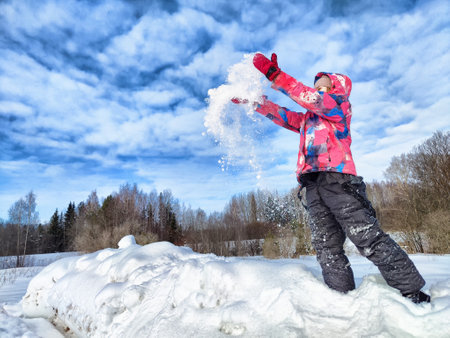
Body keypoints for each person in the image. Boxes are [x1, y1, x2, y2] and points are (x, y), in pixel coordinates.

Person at [233, 52, 430, 304]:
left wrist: (277, 77)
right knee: (326, 245)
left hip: (339, 182)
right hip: (312, 184)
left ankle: (413, 290)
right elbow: (284, 115)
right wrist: (255, 102)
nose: (317, 87)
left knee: (367, 237)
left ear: (336, 87)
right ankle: (341, 296)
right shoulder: (308, 119)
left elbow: (312, 99)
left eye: (324, 83)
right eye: (316, 83)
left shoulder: (339, 108)